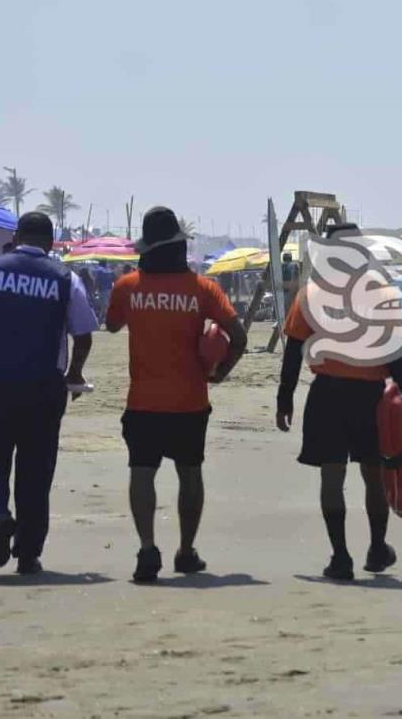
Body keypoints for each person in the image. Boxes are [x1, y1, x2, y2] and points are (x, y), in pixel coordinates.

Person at [0, 213, 97, 575]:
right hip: (45, 389)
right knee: (35, 473)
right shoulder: (65, 278)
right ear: (51, 241)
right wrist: (74, 372)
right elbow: (84, 335)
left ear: (16, 237)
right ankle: (27, 553)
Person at [106, 207, 247, 582]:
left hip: (143, 401)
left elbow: (112, 325)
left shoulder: (128, 286)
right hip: (190, 401)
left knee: (141, 473)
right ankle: (185, 552)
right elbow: (240, 338)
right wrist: (219, 374)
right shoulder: (203, 288)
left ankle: (147, 548)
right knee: (190, 475)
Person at [275, 223, 402, 581]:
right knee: (374, 475)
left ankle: (340, 557)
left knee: (332, 476)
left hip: (328, 395)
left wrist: (284, 398)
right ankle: (377, 548)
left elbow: (293, 350)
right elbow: (395, 353)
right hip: (371, 396)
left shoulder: (311, 294)